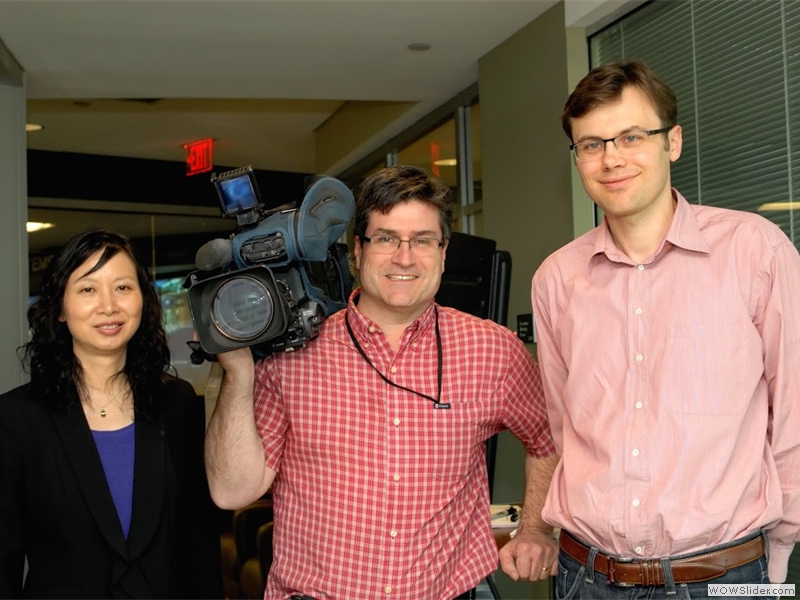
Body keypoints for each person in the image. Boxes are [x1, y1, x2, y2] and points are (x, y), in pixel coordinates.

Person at [205, 165, 559, 600]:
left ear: (444, 253)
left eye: (423, 241)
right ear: (357, 250)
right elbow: (231, 491)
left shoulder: (493, 351)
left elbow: (548, 439)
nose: (404, 257)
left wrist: (536, 528)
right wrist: (239, 371)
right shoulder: (292, 355)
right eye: (386, 238)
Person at [530, 60, 800, 599]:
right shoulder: (557, 278)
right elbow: (563, 427)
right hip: (586, 577)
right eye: (591, 144)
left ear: (672, 141)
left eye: (631, 136)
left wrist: (780, 553)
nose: (611, 159)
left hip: (726, 575)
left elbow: (794, 411)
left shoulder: (756, 252)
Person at [0, 229, 222, 599]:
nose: (108, 306)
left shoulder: (177, 402)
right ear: (58, 308)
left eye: (122, 287)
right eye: (88, 289)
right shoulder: (16, 418)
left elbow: (199, 541)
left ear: (143, 302)